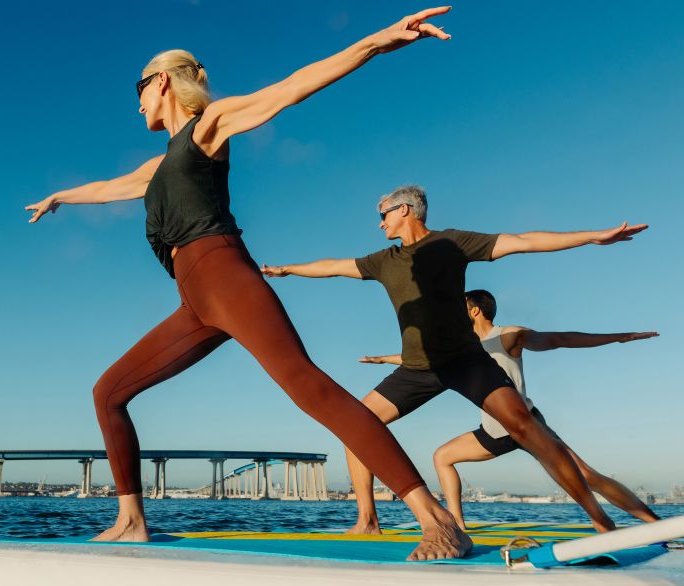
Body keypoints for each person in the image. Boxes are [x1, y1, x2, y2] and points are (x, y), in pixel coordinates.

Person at [26, 9, 472, 560]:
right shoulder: (160, 164)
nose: (136, 102)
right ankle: (131, 520)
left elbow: (289, 88)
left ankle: (437, 521)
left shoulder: (206, 128)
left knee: (311, 389)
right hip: (196, 300)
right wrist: (60, 197)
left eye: (138, 90)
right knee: (109, 393)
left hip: (225, 277)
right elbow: (110, 187)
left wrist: (380, 41)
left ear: (161, 81)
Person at [261, 184, 647, 534]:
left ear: (405, 210)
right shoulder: (385, 261)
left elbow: (523, 241)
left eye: (383, 215)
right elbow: (333, 267)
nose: (379, 224)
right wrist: (287, 270)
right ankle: (366, 521)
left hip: (465, 360)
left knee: (526, 427)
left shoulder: (452, 243)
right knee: (355, 424)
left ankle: (601, 521)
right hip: (417, 368)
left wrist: (595, 236)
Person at [360, 288, 660, 528]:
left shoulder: (506, 335)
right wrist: (383, 360)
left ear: (474, 310)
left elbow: (558, 339)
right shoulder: (462, 348)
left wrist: (619, 337)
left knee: (587, 476)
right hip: (494, 431)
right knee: (442, 457)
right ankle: (459, 526)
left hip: (527, 424)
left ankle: (653, 524)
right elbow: (421, 360)